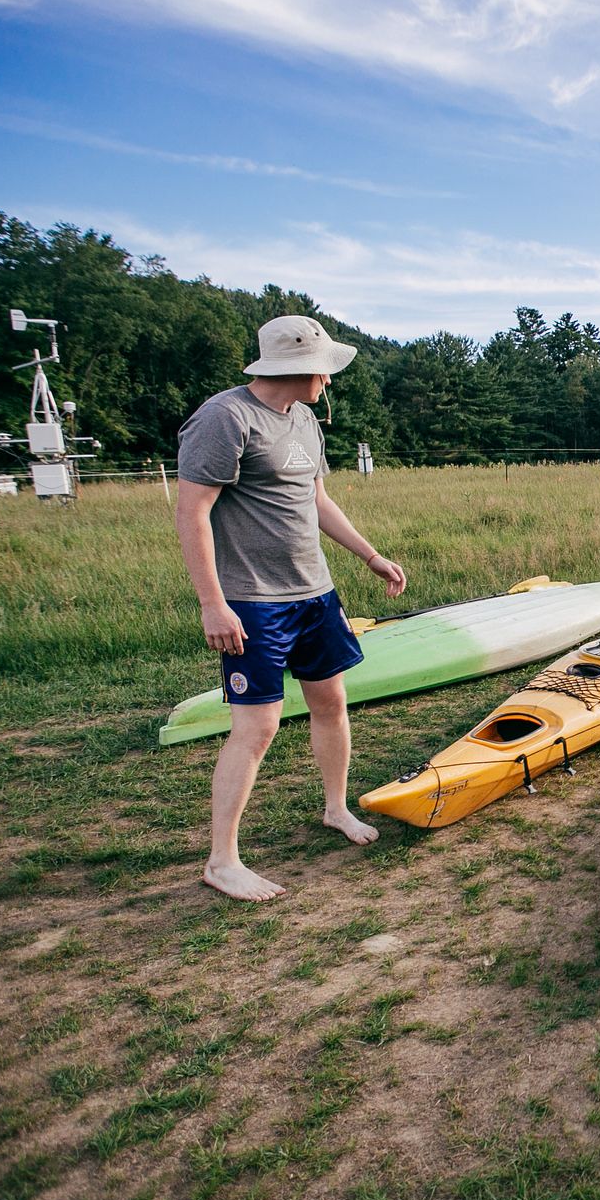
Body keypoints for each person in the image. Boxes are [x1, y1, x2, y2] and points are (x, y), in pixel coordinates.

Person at [175, 315, 407, 901]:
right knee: (257, 727)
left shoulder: (304, 418)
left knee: (331, 701)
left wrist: (371, 557)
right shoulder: (225, 418)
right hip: (253, 604)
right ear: (298, 368)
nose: (329, 381)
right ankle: (221, 861)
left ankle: (335, 809)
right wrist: (213, 604)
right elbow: (193, 512)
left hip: (314, 593)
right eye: (324, 371)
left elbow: (318, 499)